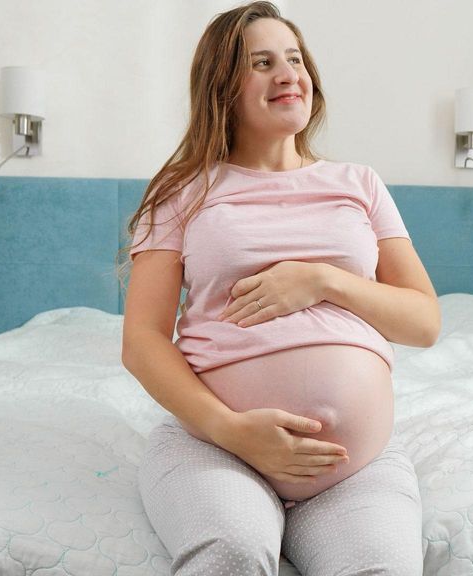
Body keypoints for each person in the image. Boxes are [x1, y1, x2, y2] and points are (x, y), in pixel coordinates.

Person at [121, 2, 439, 573]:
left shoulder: (359, 184)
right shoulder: (183, 191)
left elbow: (424, 323)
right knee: (232, 554)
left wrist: (321, 280)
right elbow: (142, 339)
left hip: (351, 470)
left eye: (295, 59)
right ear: (223, 87)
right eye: (262, 63)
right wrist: (230, 430)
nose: (289, 74)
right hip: (216, 449)